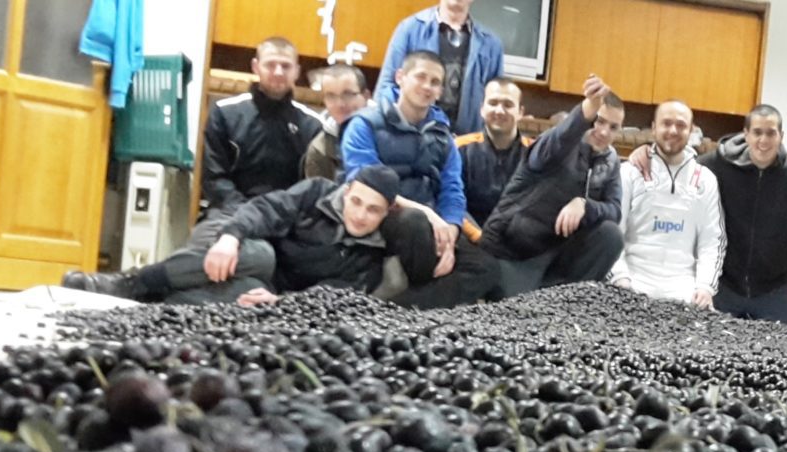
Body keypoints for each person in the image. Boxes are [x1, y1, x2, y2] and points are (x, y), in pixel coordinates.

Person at [64, 167, 479, 309]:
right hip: (260, 259)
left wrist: (283, 304)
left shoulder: (373, 254)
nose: (360, 215)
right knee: (258, 254)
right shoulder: (316, 193)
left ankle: (151, 303)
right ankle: (128, 283)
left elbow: (335, 294)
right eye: (356, 202)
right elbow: (267, 209)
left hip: (274, 294)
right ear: (347, 191)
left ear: (386, 212)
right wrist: (230, 237)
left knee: (239, 296)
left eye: (373, 210)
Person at [630, 104, 787, 325]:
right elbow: (678, 167)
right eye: (757, 132)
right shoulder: (717, 166)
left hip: (776, 288)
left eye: (771, 133)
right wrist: (648, 153)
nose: (763, 140)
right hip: (724, 285)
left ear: (781, 136)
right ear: (746, 134)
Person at [342, 50, 500, 307]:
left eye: (435, 82)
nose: (427, 86)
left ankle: (398, 310)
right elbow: (365, 184)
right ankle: (425, 303)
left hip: (432, 224)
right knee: (413, 222)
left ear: (440, 91)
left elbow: (452, 190)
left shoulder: (443, 137)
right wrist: (427, 214)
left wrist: (450, 232)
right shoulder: (364, 125)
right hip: (383, 215)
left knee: (486, 267)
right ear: (400, 77)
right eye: (421, 77)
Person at [477, 76, 625, 297]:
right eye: (599, 121)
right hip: (511, 248)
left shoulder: (609, 161)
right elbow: (564, 134)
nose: (604, 132)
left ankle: (565, 300)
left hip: (555, 253)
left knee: (610, 235)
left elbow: (614, 210)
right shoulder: (554, 145)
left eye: (613, 127)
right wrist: (588, 108)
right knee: (515, 310)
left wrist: (584, 205)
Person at [611, 100, 724, 307]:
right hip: (632, 286)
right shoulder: (629, 172)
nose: (673, 130)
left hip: (684, 293)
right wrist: (621, 280)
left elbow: (711, 241)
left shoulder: (705, 180)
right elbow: (614, 231)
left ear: (691, 131)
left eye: (681, 125)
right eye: (666, 123)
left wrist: (705, 287)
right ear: (654, 128)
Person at [202, 37, 323, 220]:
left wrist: (278, 216)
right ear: (256, 67)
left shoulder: (312, 125)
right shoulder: (224, 113)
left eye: (286, 66)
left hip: (288, 219)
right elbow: (214, 178)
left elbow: (314, 186)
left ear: (297, 71)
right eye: (270, 65)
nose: (278, 72)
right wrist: (249, 216)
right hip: (230, 214)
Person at [376, 0, 504, 135]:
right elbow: (386, 86)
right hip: (412, 135)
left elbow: (497, 100)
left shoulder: (491, 45)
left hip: (467, 140)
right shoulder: (410, 29)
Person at [454, 78, 532, 238]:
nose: (499, 111)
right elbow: (453, 203)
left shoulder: (536, 153)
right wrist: (478, 237)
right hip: (469, 239)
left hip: (518, 241)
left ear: (520, 112)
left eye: (508, 105)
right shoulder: (459, 148)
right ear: (482, 109)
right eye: (493, 103)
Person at [302, 64, 372, 182]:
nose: (340, 104)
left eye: (348, 94)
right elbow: (320, 192)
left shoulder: (389, 131)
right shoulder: (320, 149)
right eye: (331, 96)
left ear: (366, 96)